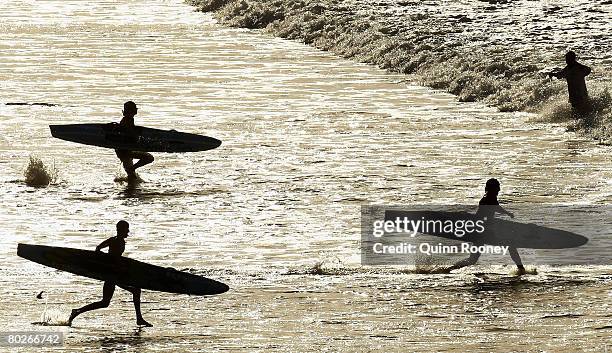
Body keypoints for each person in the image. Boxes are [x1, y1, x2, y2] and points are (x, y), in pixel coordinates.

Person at [68, 220, 152, 327]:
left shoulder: (120, 241)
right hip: (112, 275)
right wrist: (105, 261)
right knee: (135, 291)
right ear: (120, 230)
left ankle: (77, 311)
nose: (128, 231)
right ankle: (139, 319)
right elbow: (98, 248)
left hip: (114, 275)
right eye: (126, 229)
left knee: (105, 302)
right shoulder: (114, 240)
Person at [448, 178, 526, 275]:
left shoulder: (489, 197)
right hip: (484, 232)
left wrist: (506, 213)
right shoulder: (489, 198)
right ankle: (521, 270)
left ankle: (450, 269)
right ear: (492, 189)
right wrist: (507, 213)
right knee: (510, 245)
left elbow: (494, 208)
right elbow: (492, 210)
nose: (499, 190)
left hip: (481, 231)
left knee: (473, 259)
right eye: (497, 187)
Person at [115, 101, 154, 180]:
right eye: (134, 109)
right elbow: (129, 135)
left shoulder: (128, 119)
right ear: (130, 111)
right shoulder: (127, 120)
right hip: (125, 151)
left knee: (132, 177)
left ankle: (128, 187)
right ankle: (131, 170)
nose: (136, 110)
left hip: (124, 150)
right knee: (149, 158)